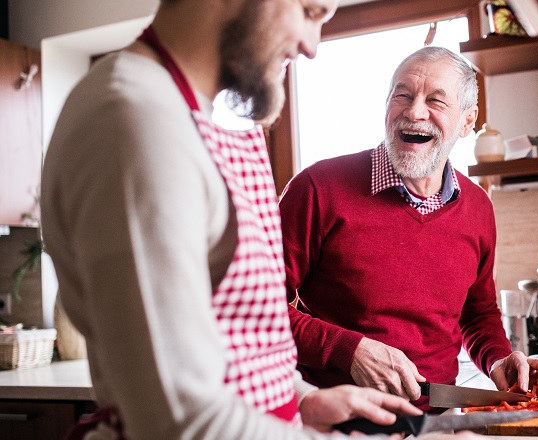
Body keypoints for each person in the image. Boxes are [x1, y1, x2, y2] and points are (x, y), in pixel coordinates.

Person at [41, 0, 481, 438]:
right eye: (310, 12)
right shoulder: (137, 121)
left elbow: (231, 339)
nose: (310, 47)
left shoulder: (179, 114)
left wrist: (302, 400)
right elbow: (178, 419)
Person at [279, 46, 538, 409]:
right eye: (402, 95)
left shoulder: (478, 208)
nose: (414, 112)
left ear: (467, 120)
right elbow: (256, 311)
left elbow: (478, 314)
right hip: (333, 421)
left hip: (436, 422)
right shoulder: (317, 189)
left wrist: (499, 361)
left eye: (436, 101)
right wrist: (350, 351)